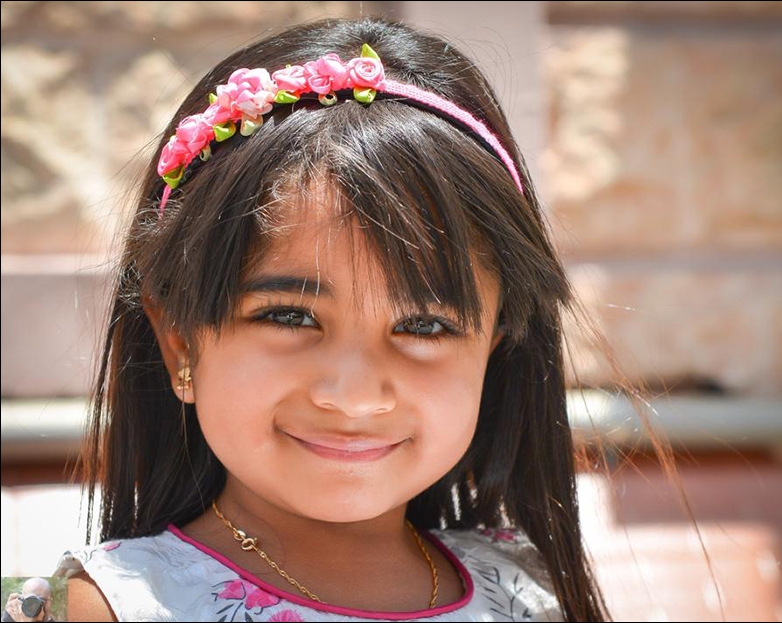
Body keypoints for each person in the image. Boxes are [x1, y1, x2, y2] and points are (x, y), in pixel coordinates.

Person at [52, 16, 616, 622]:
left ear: (493, 348)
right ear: (179, 341)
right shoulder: (97, 606)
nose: (354, 396)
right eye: (290, 316)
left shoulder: (530, 586)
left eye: (424, 327)